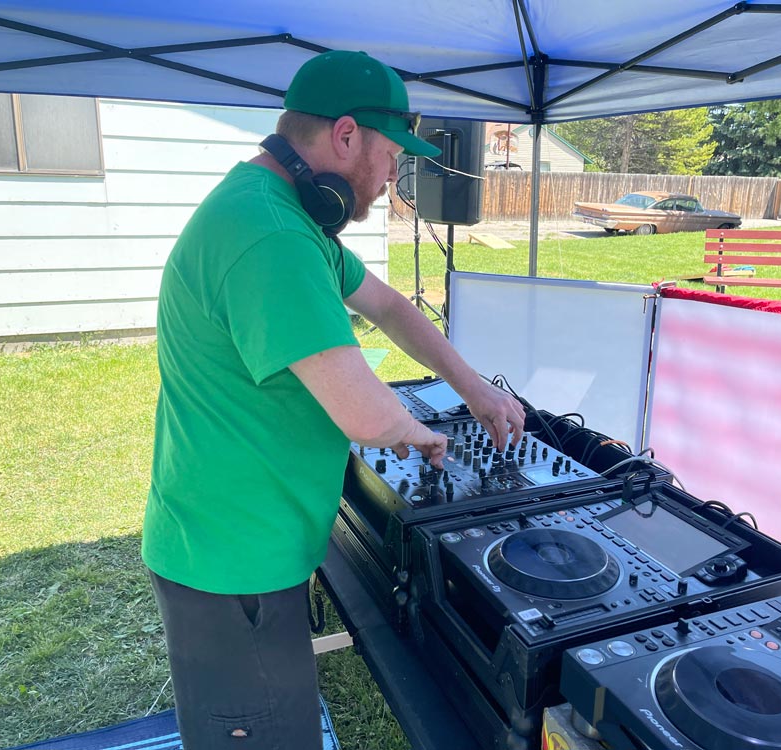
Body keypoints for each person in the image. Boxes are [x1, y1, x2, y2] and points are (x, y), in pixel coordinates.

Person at [141, 49, 525, 750]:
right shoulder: (271, 234)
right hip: (233, 560)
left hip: (238, 538)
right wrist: (428, 438)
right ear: (345, 135)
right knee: (264, 737)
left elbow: (386, 304)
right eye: (387, 157)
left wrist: (474, 389)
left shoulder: (281, 212)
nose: (389, 178)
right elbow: (365, 413)